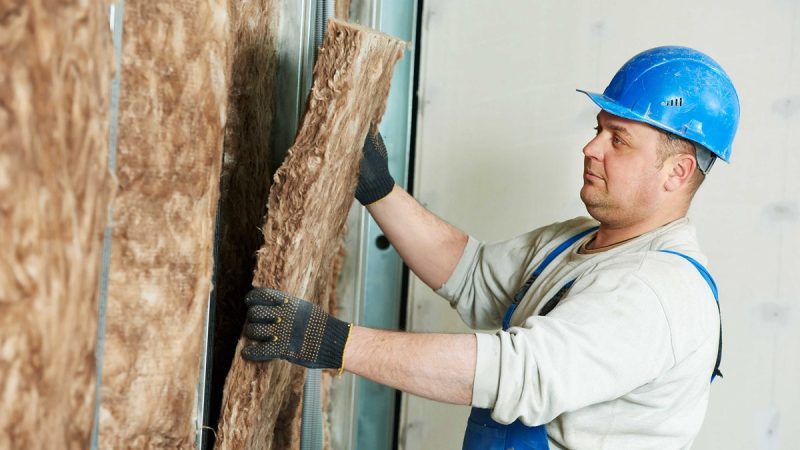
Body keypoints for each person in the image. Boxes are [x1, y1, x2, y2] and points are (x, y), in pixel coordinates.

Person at [240, 46, 740, 449]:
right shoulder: (576, 242)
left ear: (677, 172)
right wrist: (380, 191)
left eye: (619, 139)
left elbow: (515, 374)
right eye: (598, 130)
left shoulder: (657, 292)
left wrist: (334, 342)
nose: (591, 148)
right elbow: (473, 272)